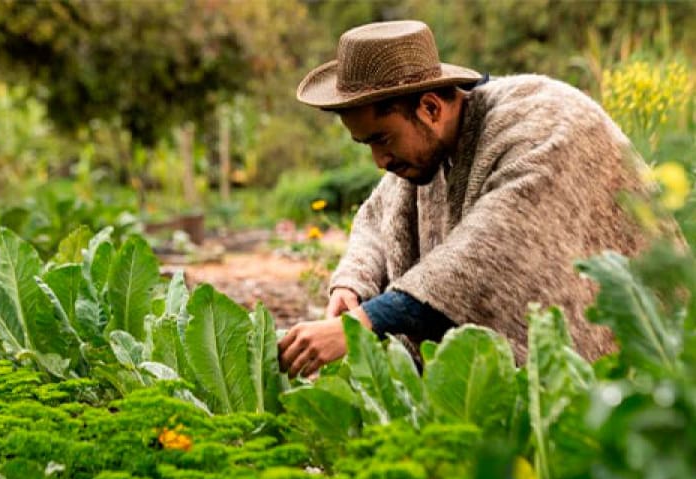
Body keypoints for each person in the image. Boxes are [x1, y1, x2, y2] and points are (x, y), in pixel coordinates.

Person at [278, 20, 650, 377]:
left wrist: (362, 323)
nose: (379, 161)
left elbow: (492, 252)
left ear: (430, 108)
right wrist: (351, 286)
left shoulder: (546, 123)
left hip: (639, 363)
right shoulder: (429, 146)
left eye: (382, 139)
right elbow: (378, 219)